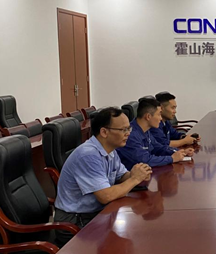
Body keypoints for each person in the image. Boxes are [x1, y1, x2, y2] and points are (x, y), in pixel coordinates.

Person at [53, 107, 153, 246]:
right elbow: (105, 196)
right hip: (75, 220)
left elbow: (122, 175)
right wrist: (134, 179)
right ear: (104, 132)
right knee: (129, 238)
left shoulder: (110, 150)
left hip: (95, 213)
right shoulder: (88, 155)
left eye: (128, 128)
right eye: (123, 130)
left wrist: (138, 174)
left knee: (138, 229)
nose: (128, 133)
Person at [117, 98, 194, 169]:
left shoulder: (146, 130)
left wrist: (180, 152)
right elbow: (145, 160)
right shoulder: (130, 135)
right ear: (148, 116)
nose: (161, 118)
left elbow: (158, 148)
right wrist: (172, 158)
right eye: (159, 114)